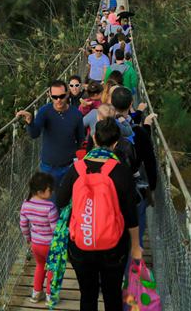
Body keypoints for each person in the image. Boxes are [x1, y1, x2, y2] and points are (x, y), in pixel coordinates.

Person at [55, 119, 141, 311]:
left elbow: (59, 201)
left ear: (93, 138)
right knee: (112, 295)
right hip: (113, 248)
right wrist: (135, 246)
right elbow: (131, 214)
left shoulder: (76, 169)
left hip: (80, 245)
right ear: (116, 142)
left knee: (88, 295)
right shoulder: (121, 171)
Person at [16, 80, 85, 191]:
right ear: (49, 95)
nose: (58, 100)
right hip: (49, 168)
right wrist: (30, 122)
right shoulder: (44, 112)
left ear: (67, 94)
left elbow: (81, 139)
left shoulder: (76, 114)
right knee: (50, 203)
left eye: (62, 96)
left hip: (70, 166)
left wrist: (79, 162)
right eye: (55, 97)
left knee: (68, 203)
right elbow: (35, 134)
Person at [110, 88, 158, 248]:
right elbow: (150, 161)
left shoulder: (106, 128)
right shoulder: (139, 132)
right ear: (131, 103)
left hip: (111, 185)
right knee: (138, 220)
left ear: (111, 103)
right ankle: (135, 257)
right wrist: (152, 187)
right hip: (135, 187)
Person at [20, 172, 58, 303]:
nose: (52, 192)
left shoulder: (26, 205)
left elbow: (23, 225)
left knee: (40, 266)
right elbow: (55, 229)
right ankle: (50, 295)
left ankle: (36, 293)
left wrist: (28, 239)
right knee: (52, 267)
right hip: (49, 245)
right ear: (40, 191)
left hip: (36, 244)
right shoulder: (50, 207)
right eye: (50, 190)